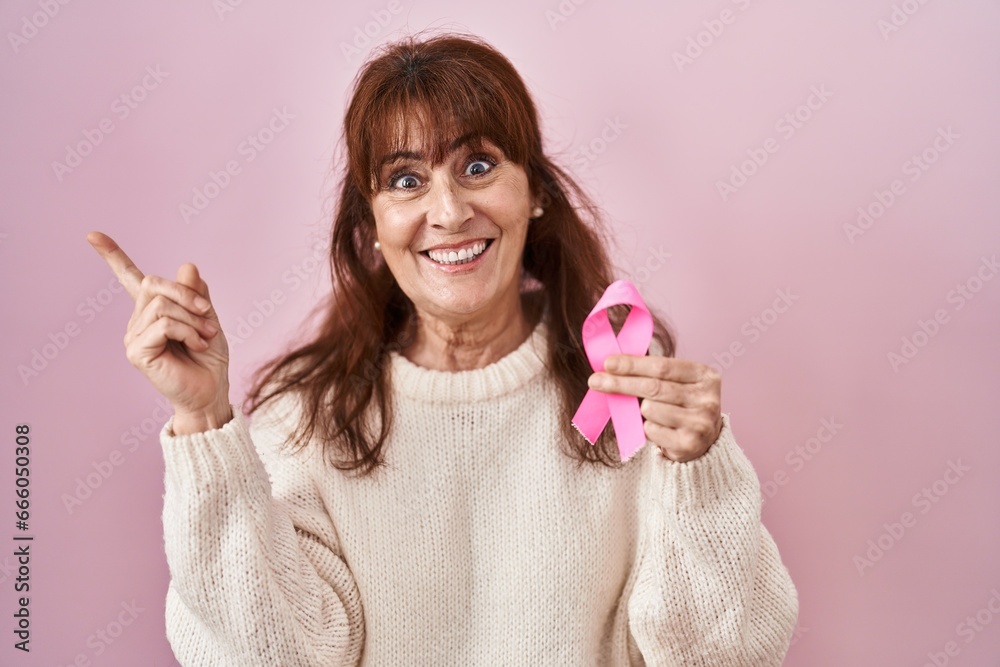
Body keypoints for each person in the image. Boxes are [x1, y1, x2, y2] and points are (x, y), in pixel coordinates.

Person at [87, 32, 798, 666]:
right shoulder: (306, 422)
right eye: (406, 180)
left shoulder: (627, 392)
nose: (450, 211)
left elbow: (725, 655)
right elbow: (265, 657)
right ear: (371, 225)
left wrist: (700, 470)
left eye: (479, 166)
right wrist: (204, 417)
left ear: (536, 193)